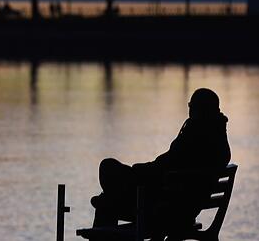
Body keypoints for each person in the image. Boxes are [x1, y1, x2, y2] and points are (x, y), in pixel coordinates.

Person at [91, 88, 231, 233]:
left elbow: (165, 167)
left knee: (107, 172)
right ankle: (108, 199)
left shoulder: (195, 136)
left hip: (165, 210)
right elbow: (168, 165)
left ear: (200, 110)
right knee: (108, 196)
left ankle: (107, 203)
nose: (189, 112)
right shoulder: (219, 143)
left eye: (191, 107)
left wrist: (138, 171)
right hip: (182, 208)